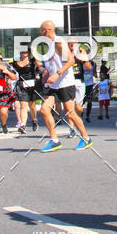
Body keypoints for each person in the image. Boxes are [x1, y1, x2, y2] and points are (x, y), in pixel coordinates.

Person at [39, 20, 91, 152]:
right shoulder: (50, 45)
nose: (39, 33)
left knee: (70, 113)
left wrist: (57, 74)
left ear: (47, 31)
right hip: (53, 85)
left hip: (65, 83)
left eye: (41, 30)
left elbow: (71, 60)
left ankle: (86, 138)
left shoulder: (58, 42)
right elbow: (53, 64)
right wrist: (46, 74)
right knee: (44, 110)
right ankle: (54, 140)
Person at [11, 44, 43, 134]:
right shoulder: (16, 62)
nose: (23, 53)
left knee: (32, 105)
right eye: (22, 51)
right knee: (23, 105)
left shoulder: (32, 61)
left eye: (25, 51)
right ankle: (23, 125)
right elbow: (13, 73)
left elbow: (40, 66)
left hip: (31, 84)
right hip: (21, 85)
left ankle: (34, 120)